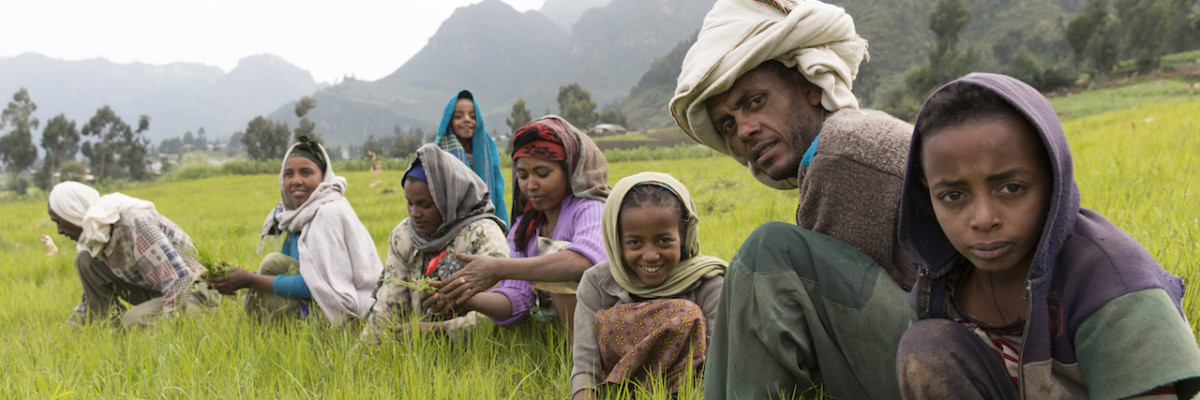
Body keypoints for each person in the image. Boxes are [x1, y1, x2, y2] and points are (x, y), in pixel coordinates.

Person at [894, 73, 1200, 399]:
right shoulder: (946, 279)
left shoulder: (1114, 286)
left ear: (1053, 179)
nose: (983, 219)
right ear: (928, 193)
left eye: (1012, 188)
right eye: (953, 196)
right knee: (926, 345)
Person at [669, 0, 919, 398]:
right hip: (936, 348)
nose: (745, 131)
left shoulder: (842, 152)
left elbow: (828, 324)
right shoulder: (843, 140)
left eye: (755, 102)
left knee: (770, 253)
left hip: (958, 363)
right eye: (728, 124)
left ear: (809, 87)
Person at [428, 115, 610, 338]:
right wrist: (466, 297)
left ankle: (587, 366)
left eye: (542, 174)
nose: (531, 185)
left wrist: (499, 268)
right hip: (558, 339)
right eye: (522, 176)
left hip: (608, 326)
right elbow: (516, 302)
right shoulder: (527, 227)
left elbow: (584, 262)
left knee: (562, 276)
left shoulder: (590, 209)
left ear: (570, 170)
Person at [570, 172, 727, 399]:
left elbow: (717, 364)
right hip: (617, 393)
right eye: (635, 242)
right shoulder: (598, 283)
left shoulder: (708, 282)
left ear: (682, 233)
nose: (651, 255)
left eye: (664, 240)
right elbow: (586, 364)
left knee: (687, 314)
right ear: (616, 238)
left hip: (690, 393)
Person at [206, 136, 382, 325]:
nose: (296, 181)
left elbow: (321, 286)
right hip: (325, 303)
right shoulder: (297, 214)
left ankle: (283, 341)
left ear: (323, 176)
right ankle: (261, 338)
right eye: (289, 174)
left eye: (306, 173)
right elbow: (287, 271)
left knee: (268, 279)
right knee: (270, 267)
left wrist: (249, 279)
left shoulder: (327, 212)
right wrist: (233, 277)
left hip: (353, 313)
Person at [362, 144, 513, 342]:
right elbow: (389, 304)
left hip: (479, 352)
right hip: (416, 356)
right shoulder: (404, 236)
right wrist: (358, 358)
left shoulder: (483, 235)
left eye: (425, 205)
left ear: (449, 199)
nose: (414, 213)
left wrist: (439, 330)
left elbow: (499, 312)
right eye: (410, 203)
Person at [47, 181, 219, 327]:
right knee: (85, 260)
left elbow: (180, 279)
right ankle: (107, 331)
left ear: (73, 213)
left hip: (195, 290)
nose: (60, 231)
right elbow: (92, 300)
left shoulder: (133, 224)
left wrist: (171, 325)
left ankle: (143, 343)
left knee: (134, 320)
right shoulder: (97, 238)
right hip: (157, 290)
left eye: (59, 222)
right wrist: (71, 328)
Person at [435, 90, 509, 225]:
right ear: (449, 120)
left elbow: (497, 188)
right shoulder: (438, 154)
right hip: (451, 224)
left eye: (473, 116)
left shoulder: (489, 148)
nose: (467, 120)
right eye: (458, 116)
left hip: (488, 221)